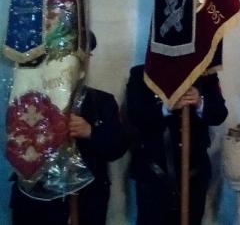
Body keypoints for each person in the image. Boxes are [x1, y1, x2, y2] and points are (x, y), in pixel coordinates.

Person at [9, 36, 128, 225]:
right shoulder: (28, 99)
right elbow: (14, 144)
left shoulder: (101, 101)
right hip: (36, 198)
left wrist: (91, 132)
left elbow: (117, 148)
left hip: (87, 200)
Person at [125, 64, 228, 225]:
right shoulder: (142, 74)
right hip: (154, 175)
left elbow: (219, 114)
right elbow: (135, 115)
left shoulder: (205, 74)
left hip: (193, 174)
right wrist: (167, 107)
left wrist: (199, 101)